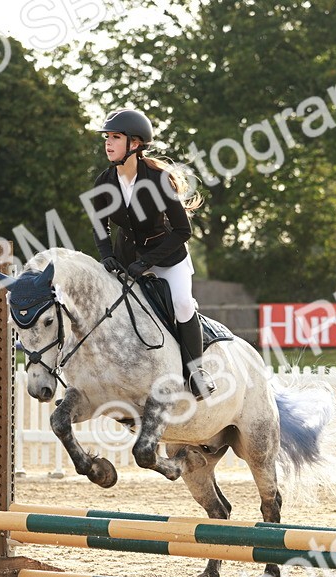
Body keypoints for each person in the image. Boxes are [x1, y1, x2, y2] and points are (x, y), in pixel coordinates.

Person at [90, 108, 216, 399]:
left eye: (115, 137)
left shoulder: (160, 179)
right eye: (107, 137)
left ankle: (195, 372)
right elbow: (100, 225)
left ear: (135, 144)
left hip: (168, 257)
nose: (108, 143)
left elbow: (183, 231)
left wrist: (147, 262)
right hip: (126, 258)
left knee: (183, 305)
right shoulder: (104, 182)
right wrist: (107, 254)